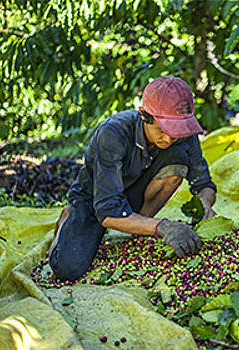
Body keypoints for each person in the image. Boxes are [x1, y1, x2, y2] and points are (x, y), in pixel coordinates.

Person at [49, 76, 217, 281]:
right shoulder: (113, 132)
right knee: (68, 270)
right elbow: (107, 211)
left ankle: (138, 227)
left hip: (134, 192)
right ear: (144, 115)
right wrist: (163, 227)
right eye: (163, 130)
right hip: (95, 199)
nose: (169, 138)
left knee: (177, 157)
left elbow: (204, 184)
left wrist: (205, 205)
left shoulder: (183, 132)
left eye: (176, 132)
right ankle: (68, 217)